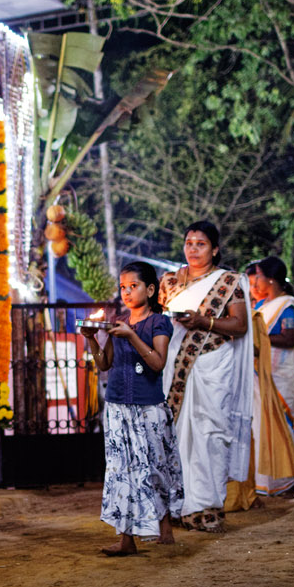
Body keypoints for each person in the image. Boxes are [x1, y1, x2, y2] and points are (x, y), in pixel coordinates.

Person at [81, 261, 182, 556]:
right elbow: (103, 364)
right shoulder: (117, 323)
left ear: (150, 290)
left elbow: (157, 363)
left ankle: (165, 527)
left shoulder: (158, 323)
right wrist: (92, 339)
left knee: (154, 466)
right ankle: (126, 538)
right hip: (117, 406)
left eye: (133, 286)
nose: (126, 292)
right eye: (122, 287)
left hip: (148, 407)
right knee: (120, 470)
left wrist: (132, 336)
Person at [159, 221, 254, 531]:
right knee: (175, 436)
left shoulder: (228, 282)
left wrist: (204, 321)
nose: (193, 249)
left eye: (200, 244)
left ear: (214, 249)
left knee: (209, 434)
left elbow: (239, 326)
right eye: (189, 243)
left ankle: (206, 508)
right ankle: (178, 504)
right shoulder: (169, 282)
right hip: (175, 366)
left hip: (212, 365)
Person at [245, 256, 294, 453]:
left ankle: (283, 479)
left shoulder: (287, 305)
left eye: (258, 276)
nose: (256, 281)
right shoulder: (259, 306)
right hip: (258, 376)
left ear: (270, 279)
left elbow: (289, 339)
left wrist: (258, 342)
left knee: (280, 431)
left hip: (280, 377)